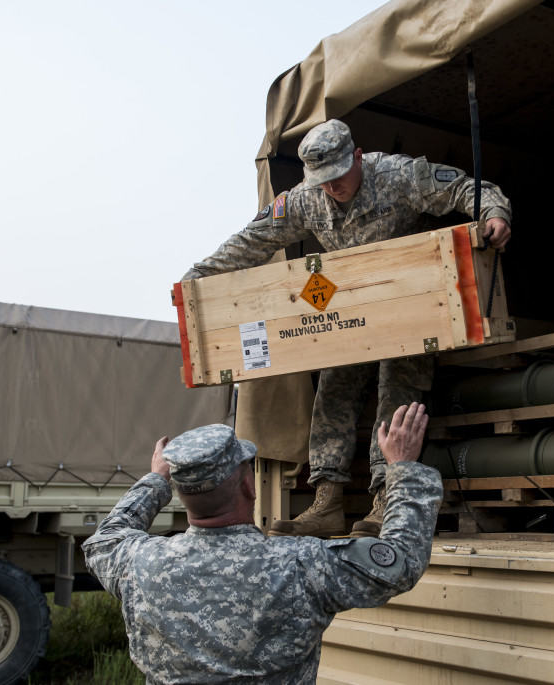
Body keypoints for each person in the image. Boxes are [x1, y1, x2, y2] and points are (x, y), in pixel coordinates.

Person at [182, 118, 511, 538]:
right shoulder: (306, 200)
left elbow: (465, 188)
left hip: (410, 301)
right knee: (333, 385)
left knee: (398, 386)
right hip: (350, 308)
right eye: (322, 181)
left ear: (357, 157)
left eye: (337, 177)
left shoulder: (397, 174)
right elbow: (254, 239)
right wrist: (200, 274)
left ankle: (384, 499)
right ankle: (326, 502)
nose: (331, 188)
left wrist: (494, 212)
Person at [82, 402, 441, 684]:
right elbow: (401, 561)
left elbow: (105, 538)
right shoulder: (301, 565)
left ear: (180, 494)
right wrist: (402, 468)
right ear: (248, 486)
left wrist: (156, 480)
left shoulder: (140, 564)